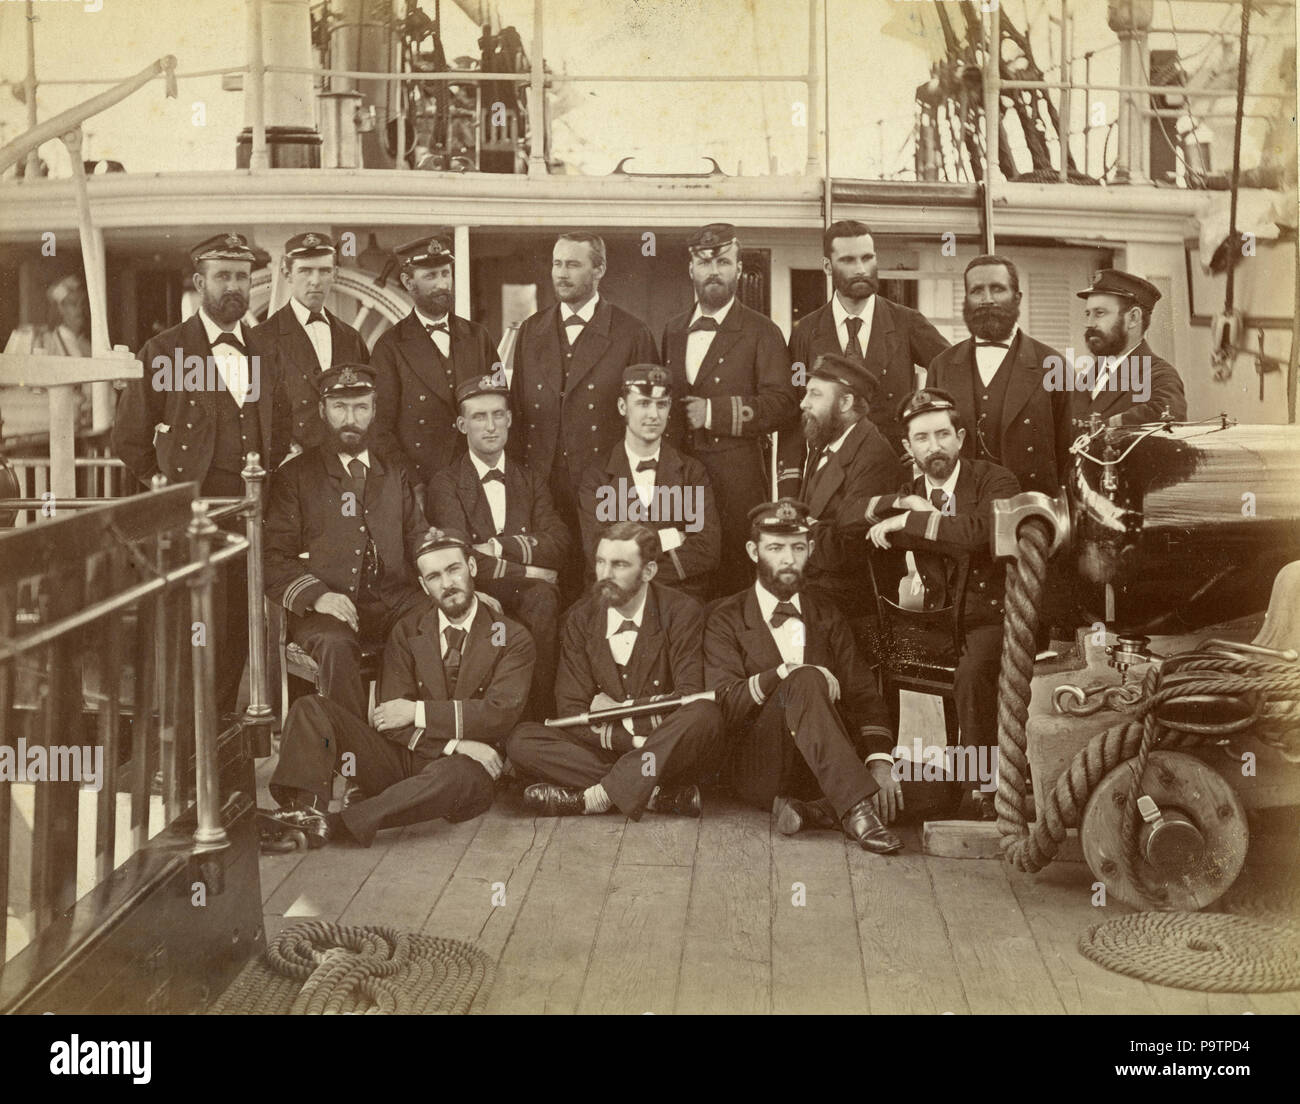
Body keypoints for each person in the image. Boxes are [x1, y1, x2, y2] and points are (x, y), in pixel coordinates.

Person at [111, 232, 290, 715]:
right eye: (223, 276)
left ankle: (223, 753)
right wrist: (164, 486)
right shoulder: (166, 350)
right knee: (189, 636)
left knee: (236, 634)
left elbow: (282, 427)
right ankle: (183, 756)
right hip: (190, 522)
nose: (234, 286)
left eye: (241, 276)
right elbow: (127, 439)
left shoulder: (265, 351)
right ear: (200, 281)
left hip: (250, 519)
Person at [267, 527, 536, 847]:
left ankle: (336, 824)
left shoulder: (511, 637)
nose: (447, 584)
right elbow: (388, 720)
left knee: (453, 776)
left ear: (472, 568)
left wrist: (416, 711)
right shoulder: (408, 631)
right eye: (434, 577)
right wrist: (454, 744)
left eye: (454, 570)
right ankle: (301, 811)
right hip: (415, 755)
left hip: (470, 768)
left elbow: (497, 716)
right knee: (311, 708)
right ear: (423, 586)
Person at [703, 499, 903, 853]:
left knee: (940, 785)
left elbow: (862, 695)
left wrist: (880, 763)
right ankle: (857, 810)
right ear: (753, 551)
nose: (788, 559)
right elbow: (725, 703)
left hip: (827, 766)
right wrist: (786, 673)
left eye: (798, 547)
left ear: (810, 549)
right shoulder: (725, 618)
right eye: (775, 548)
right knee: (805, 678)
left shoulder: (826, 612)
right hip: (763, 766)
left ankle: (813, 811)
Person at [866, 388, 1020, 816]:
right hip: (937, 624)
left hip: (992, 617)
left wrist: (912, 520)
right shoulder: (908, 490)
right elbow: (845, 518)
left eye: (942, 435)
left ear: (961, 437)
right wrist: (899, 503)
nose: (934, 447)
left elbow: (977, 534)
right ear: (907, 447)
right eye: (921, 439)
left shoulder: (994, 480)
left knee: (972, 675)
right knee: (869, 655)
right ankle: (885, 779)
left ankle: (982, 792)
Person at [507, 521, 724, 820]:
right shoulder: (580, 618)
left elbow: (687, 698)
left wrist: (618, 711)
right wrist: (633, 739)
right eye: (600, 562)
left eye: (619, 565)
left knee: (704, 714)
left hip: (663, 750)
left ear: (648, 571)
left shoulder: (681, 611)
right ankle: (654, 795)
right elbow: (571, 708)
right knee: (522, 739)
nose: (605, 575)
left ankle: (596, 796)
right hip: (624, 746)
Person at [264, 364, 427, 720]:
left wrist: (449, 583)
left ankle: (409, 738)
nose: (350, 418)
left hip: (393, 601)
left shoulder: (394, 472)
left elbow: (418, 538)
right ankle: (353, 752)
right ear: (323, 410)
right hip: (324, 607)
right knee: (336, 646)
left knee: (435, 620)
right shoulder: (295, 476)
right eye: (339, 407)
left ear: (374, 410)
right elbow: (273, 556)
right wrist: (319, 595)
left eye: (360, 407)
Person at [507, 232, 658, 594]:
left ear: (599, 270)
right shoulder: (530, 331)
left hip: (605, 485)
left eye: (573, 264)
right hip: (541, 488)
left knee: (604, 582)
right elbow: (517, 412)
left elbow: (649, 421)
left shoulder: (631, 332)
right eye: (557, 263)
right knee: (545, 586)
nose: (561, 273)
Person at [661, 223, 799, 595]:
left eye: (724, 262)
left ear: (739, 270)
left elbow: (783, 405)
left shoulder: (762, 332)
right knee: (684, 578)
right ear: (691, 269)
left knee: (734, 582)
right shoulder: (672, 331)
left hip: (737, 484)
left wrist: (713, 414)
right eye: (705, 264)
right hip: (680, 482)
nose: (714, 272)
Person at [425, 373, 569, 719]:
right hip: (477, 590)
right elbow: (459, 557)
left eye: (498, 415)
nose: (490, 426)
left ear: (508, 419)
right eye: (479, 417)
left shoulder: (530, 479)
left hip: (529, 596)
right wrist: (529, 569)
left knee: (543, 600)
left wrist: (498, 546)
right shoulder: (446, 484)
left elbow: (559, 542)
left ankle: (539, 720)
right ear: (462, 425)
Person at [788, 220, 949, 454]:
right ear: (827, 266)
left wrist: (923, 441)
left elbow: (953, 372)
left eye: (867, 258)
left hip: (893, 469)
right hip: (830, 474)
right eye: (848, 260)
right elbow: (795, 410)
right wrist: (790, 485)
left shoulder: (907, 322)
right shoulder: (806, 331)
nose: (861, 269)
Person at [926, 254, 1072, 495]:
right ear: (966, 300)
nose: (987, 300)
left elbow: (1068, 453)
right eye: (977, 291)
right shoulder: (941, 366)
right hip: (962, 512)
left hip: (1029, 509)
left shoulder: (1053, 365)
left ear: (1017, 298)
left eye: (997, 289)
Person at [577, 364, 720, 602]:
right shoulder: (597, 477)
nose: (654, 415)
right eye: (643, 403)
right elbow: (597, 551)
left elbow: (706, 550)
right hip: (615, 597)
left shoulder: (692, 472)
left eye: (661, 404)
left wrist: (630, 565)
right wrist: (672, 537)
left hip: (679, 597)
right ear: (623, 406)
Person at [371, 234, 496, 485]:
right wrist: (412, 484)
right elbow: (379, 431)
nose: (442, 284)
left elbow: (500, 403)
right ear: (408, 282)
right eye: (430, 276)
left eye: (445, 273)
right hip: (421, 482)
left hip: (476, 477)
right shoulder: (389, 347)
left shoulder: (478, 337)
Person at [796, 352, 902, 616]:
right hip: (816, 587)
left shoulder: (874, 457)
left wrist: (797, 529)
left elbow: (847, 550)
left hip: (850, 605)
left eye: (815, 394)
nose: (803, 403)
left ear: (845, 402)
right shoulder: (826, 439)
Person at [253, 231, 370, 455]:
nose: (315, 281)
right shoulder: (261, 339)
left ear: (334, 273)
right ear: (287, 273)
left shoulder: (350, 338)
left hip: (342, 462)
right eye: (305, 271)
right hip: (287, 465)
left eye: (324, 271)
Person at [1073, 268, 1186, 427]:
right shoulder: (1089, 376)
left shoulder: (1160, 377)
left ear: (1133, 318)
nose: (1089, 323)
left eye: (1099, 313)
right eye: (1087, 314)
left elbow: (1168, 422)